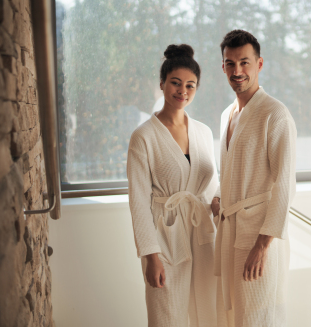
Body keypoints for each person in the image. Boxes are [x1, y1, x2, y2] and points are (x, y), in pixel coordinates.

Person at [127, 44, 221, 327]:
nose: (183, 91)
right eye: (176, 83)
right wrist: (150, 255)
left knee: (207, 311)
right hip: (165, 237)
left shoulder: (203, 132)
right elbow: (139, 202)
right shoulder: (143, 137)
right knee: (166, 315)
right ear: (162, 84)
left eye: (190, 85)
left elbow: (211, 185)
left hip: (203, 233)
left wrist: (218, 202)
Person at [212, 30, 297, 327]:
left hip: (259, 239)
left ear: (259, 64)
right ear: (222, 67)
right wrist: (220, 199)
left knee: (260, 319)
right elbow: (233, 171)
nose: (238, 72)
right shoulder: (227, 115)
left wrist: (262, 246)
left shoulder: (275, 114)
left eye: (245, 63)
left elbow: (285, 186)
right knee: (237, 318)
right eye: (230, 64)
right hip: (232, 233)